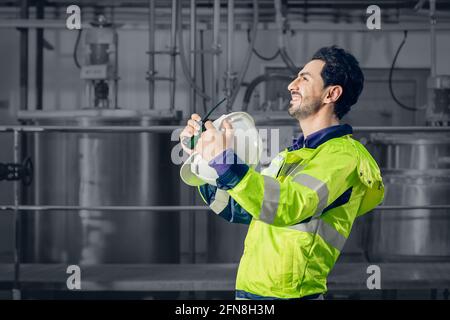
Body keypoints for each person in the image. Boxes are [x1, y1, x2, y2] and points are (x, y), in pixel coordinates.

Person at [179, 45, 385, 300]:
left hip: (291, 296)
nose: (291, 85)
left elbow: (288, 205)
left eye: (304, 78)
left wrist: (224, 159)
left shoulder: (342, 157)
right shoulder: (290, 156)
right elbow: (240, 209)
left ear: (331, 93)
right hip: (251, 292)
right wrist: (204, 159)